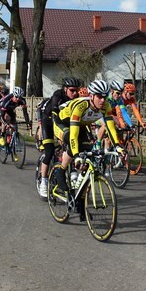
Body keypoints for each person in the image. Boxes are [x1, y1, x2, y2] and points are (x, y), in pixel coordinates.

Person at [52, 80, 123, 211]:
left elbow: (110, 128)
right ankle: (61, 171)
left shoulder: (106, 106)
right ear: (91, 96)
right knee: (73, 142)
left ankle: (79, 194)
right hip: (62, 123)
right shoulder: (80, 106)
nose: (103, 100)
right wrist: (77, 156)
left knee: (88, 151)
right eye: (99, 96)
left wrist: (118, 147)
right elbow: (73, 136)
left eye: (105, 96)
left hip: (81, 124)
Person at [37, 77, 80, 198]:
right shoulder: (58, 95)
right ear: (65, 89)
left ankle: (68, 171)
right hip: (49, 122)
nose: (75, 93)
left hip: (62, 122)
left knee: (72, 145)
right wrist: (59, 136)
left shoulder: (76, 98)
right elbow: (54, 115)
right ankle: (43, 181)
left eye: (76, 90)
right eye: (72, 90)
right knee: (49, 152)